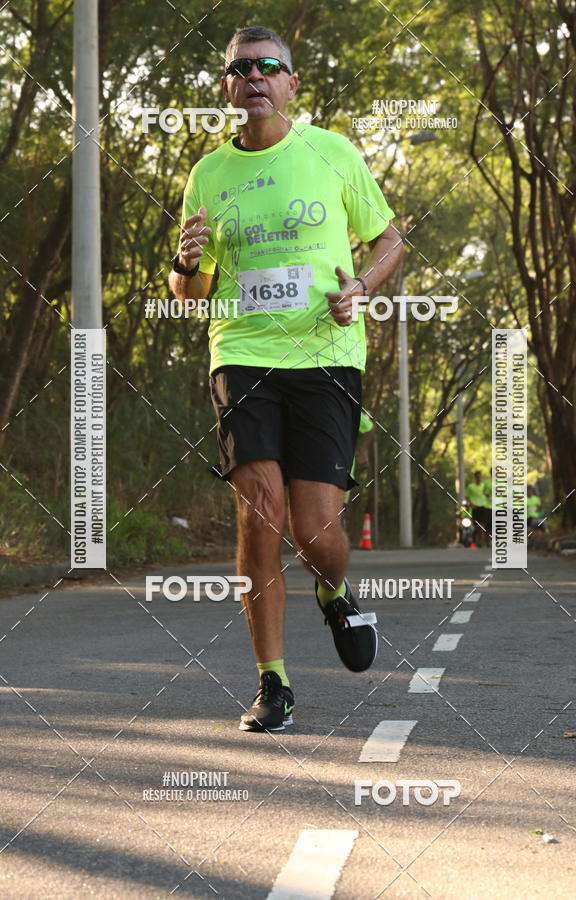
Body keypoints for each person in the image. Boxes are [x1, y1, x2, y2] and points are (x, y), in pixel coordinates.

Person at [169, 26, 403, 732]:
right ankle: (272, 681)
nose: (255, 76)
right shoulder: (207, 175)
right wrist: (184, 263)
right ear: (227, 87)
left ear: (292, 84)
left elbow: (390, 239)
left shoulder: (331, 153)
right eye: (241, 68)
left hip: (328, 356)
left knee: (316, 530)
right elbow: (191, 292)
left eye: (270, 66)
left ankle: (333, 589)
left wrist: (359, 286)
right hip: (241, 352)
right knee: (260, 509)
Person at [464, 470, 488, 547]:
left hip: (483, 507)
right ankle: (477, 541)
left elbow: (488, 494)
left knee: (483, 525)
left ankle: (483, 541)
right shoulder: (471, 487)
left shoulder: (484, 486)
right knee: (476, 526)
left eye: (480, 477)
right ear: (475, 478)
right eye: (477, 477)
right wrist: (470, 503)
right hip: (475, 508)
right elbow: (466, 496)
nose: (479, 478)